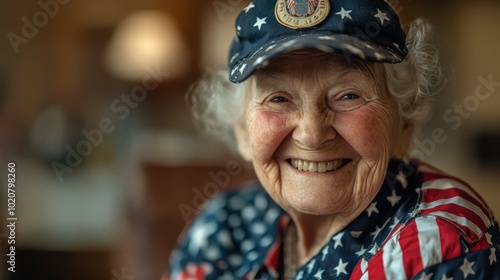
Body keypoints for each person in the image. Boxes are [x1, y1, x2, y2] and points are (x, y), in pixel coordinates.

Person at [164, 0, 500, 279]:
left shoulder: (441, 241)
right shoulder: (225, 225)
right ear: (242, 131)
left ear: (404, 121)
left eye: (349, 95)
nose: (311, 134)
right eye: (278, 98)